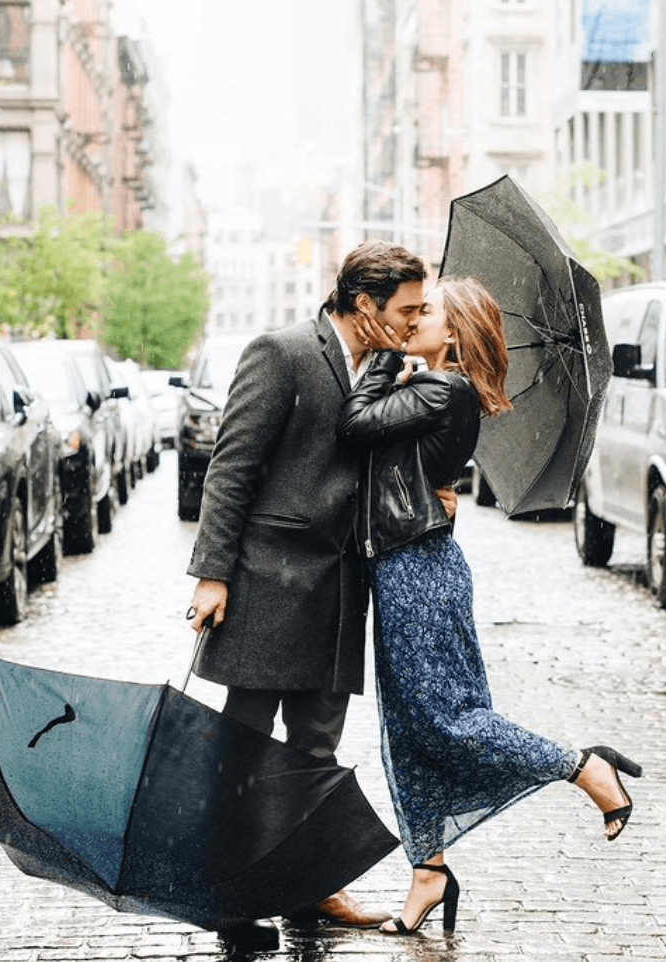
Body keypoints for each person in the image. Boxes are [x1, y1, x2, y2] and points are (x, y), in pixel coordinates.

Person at [337, 276, 643, 936]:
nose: (412, 316)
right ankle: (428, 871)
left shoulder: (442, 388)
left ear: (451, 334)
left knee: (446, 721)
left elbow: (355, 424)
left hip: (418, 569)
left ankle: (586, 768)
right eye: (408, 310)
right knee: (407, 729)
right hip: (404, 567)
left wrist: (384, 351)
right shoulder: (431, 388)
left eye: (426, 312)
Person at [186, 241, 437, 934]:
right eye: (407, 309)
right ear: (365, 304)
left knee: (315, 749)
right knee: (244, 743)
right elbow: (232, 467)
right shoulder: (284, 352)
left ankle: (309, 888)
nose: (417, 320)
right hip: (268, 579)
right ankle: (233, 895)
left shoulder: (389, 368)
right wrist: (212, 574)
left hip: (340, 583)